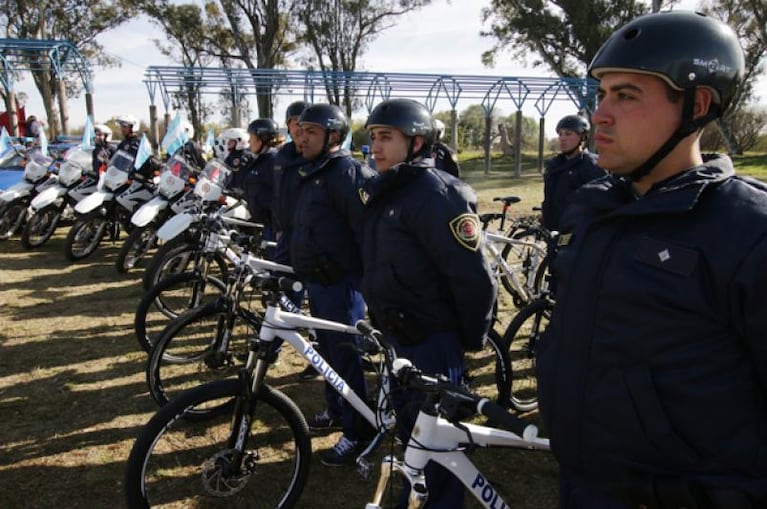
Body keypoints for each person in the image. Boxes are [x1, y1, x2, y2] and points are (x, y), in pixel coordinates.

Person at [536, 10, 767, 509]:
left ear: (697, 105)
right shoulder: (597, 210)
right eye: (601, 94)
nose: (599, 114)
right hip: (583, 485)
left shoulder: (748, 229)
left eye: (627, 95)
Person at [361, 98, 496, 508]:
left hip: (432, 341)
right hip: (398, 338)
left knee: (440, 446)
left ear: (417, 142)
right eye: (372, 138)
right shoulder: (386, 188)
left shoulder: (439, 194)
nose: (375, 147)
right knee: (413, 433)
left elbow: (474, 279)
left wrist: (469, 339)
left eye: (386, 137)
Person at [291, 103, 376, 466]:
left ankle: (359, 431)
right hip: (318, 283)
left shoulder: (347, 172)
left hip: (342, 285)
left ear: (334, 136)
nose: (301, 136)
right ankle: (337, 410)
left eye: (311, 131)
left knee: (345, 357)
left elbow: (367, 232)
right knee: (327, 355)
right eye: (300, 130)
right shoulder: (314, 171)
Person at [541, 114, 606, 232]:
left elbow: (602, 205)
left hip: (581, 236)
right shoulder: (554, 166)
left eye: (568, 134)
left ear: (582, 137)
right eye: (560, 134)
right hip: (554, 233)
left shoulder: (592, 165)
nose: (562, 138)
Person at [242, 118, 281, 250]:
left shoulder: (274, 161)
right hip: (266, 225)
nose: (249, 142)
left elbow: (280, 197)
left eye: (252, 138)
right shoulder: (260, 159)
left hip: (274, 228)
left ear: (262, 138)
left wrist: (279, 229)